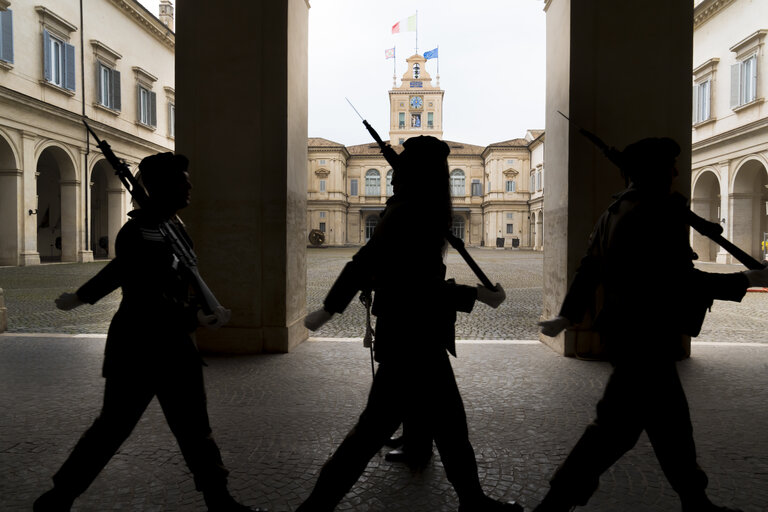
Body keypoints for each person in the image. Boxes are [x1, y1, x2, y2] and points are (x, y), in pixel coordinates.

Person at [535, 137, 768, 512]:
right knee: (615, 430)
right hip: (645, 335)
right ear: (654, 171)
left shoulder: (615, 210)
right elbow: (678, 281)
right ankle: (553, 505)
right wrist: (747, 280)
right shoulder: (655, 213)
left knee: (669, 424)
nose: (676, 172)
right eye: (669, 167)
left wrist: (568, 314)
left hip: (628, 333)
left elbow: (589, 267)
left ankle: (696, 500)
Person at [298, 135, 522, 512]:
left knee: (444, 427)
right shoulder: (414, 212)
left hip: (413, 335)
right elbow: (418, 286)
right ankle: (314, 508)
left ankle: (473, 501)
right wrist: (481, 295)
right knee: (383, 432)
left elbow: (372, 265)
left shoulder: (407, 209)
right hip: (413, 337)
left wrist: (330, 309)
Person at [33, 153, 264, 512]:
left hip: (176, 348)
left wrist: (201, 309)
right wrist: (195, 318)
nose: (189, 185)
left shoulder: (175, 227)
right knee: (111, 429)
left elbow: (182, 278)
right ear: (157, 188)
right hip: (138, 349)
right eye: (181, 180)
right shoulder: (137, 233)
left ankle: (220, 500)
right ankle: (59, 496)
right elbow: (141, 292)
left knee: (196, 431)